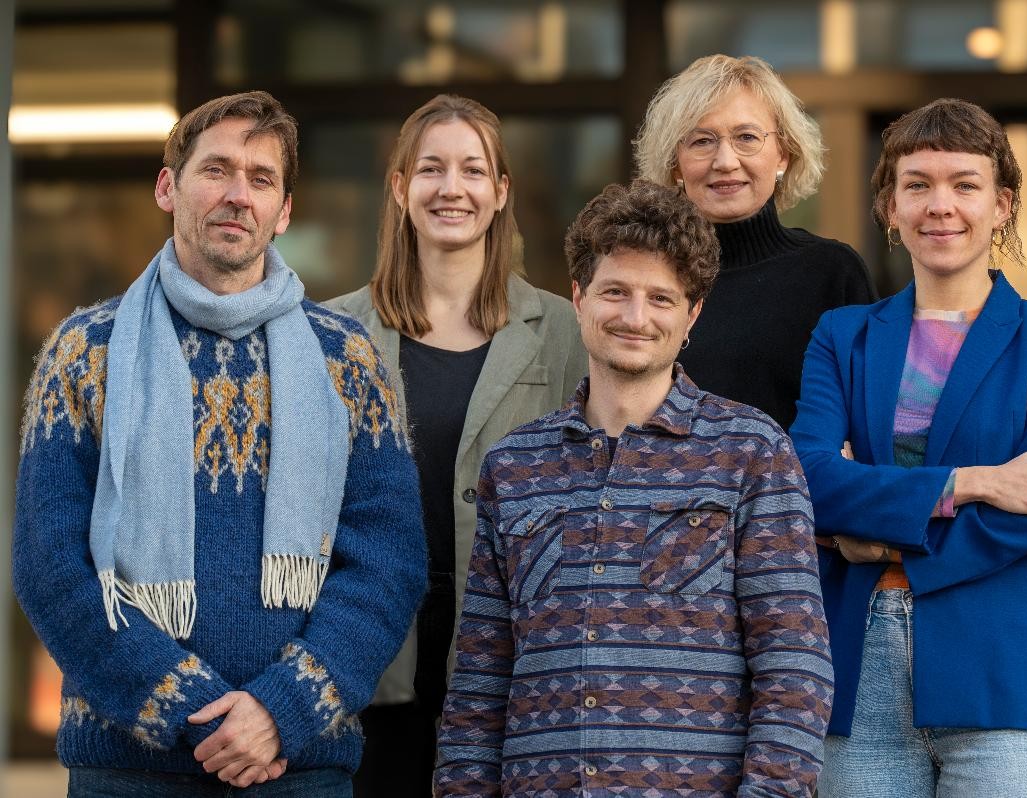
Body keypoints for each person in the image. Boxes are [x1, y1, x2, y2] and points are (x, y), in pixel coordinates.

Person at [13, 91, 426, 797]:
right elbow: (49, 565)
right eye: (216, 170)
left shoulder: (347, 360)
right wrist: (193, 712)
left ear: (284, 211)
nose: (238, 195)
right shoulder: (85, 353)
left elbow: (388, 563)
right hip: (128, 771)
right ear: (167, 187)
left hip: (298, 768)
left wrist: (282, 709)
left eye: (261, 179)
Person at [435, 179, 834, 798]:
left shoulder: (751, 451)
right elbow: (479, 686)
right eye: (615, 291)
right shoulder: (513, 465)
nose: (635, 317)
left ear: (692, 314)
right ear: (578, 298)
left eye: (660, 298)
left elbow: (793, 669)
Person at [789, 98, 1027, 797]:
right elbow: (808, 480)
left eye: (965, 184)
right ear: (890, 207)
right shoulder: (842, 335)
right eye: (917, 184)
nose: (940, 205)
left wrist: (874, 540)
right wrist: (975, 482)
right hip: (858, 670)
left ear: (1002, 205)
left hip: (1005, 669)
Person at [324, 94, 586, 796]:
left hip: (514, 650)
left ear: (500, 192)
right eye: (431, 168)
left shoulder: (564, 331)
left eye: (473, 170)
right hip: (369, 647)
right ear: (399, 187)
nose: (452, 188)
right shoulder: (331, 333)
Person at [633, 54, 875, 431]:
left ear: (783, 155)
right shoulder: (644, 279)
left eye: (746, 137)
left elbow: (869, 421)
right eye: (702, 141)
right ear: (675, 164)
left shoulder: (832, 273)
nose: (725, 161)